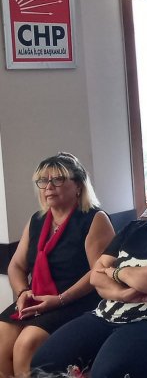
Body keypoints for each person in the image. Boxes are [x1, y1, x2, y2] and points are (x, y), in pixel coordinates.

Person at [31, 162, 147, 377]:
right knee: (43, 363)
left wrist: (117, 272)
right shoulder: (133, 229)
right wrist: (122, 294)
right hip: (107, 313)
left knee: (108, 373)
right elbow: (96, 276)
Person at [0, 153, 115, 377]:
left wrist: (61, 299)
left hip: (76, 300)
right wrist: (22, 291)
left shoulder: (95, 218)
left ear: (78, 185)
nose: (48, 187)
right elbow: (16, 266)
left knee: (26, 344)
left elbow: (99, 271)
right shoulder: (37, 219)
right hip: (38, 297)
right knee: (1, 338)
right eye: (43, 180)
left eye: (58, 179)